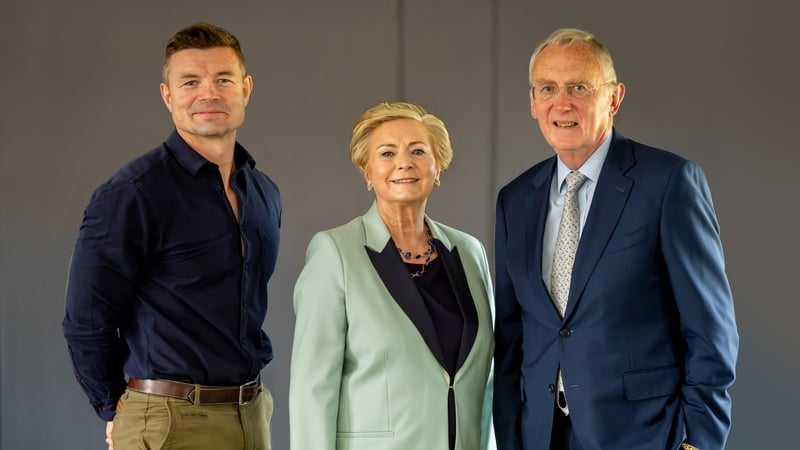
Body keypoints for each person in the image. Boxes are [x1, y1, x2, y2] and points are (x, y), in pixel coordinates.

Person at [493, 28, 738, 450]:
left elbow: (710, 330)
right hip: (540, 435)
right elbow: (513, 337)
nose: (561, 102)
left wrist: (698, 442)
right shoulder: (515, 200)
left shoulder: (667, 182)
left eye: (579, 87)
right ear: (533, 102)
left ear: (614, 97)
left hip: (643, 434)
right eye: (547, 88)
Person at [62, 22, 280, 450]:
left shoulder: (263, 192)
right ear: (168, 95)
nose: (208, 93)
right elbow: (86, 322)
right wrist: (115, 410)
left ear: (246, 89)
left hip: (253, 415)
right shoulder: (134, 194)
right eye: (190, 82)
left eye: (223, 79)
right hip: (168, 423)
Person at [289, 101, 494, 450]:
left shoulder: (469, 253)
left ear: (438, 166)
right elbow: (313, 390)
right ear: (367, 172)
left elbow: (485, 381)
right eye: (387, 153)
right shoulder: (335, 253)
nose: (404, 162)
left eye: (418, 150)